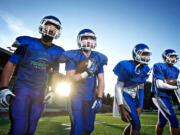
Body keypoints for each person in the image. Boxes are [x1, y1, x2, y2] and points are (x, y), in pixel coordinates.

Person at [0, 15, 65, 135]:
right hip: (22, 89)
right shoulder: (27, 43)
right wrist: (4, 87)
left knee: (31, 129)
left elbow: (55, 73)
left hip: (40, 93)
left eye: (54, 28)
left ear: (58, 32)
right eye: (48, 26)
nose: (51, 30)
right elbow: (11, 64)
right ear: (42, 26)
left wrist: (53, 90)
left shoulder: (58, 52)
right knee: (19, 127)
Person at [61, 29, 108, 135]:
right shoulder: (73, 56)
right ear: (79, 40)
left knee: (88, 128)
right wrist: (87, 73)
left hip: (90, 97)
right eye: (85, 38)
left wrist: (99, 97)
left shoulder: (98, 58)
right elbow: (70, 79)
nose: (88, 41)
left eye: (91, 39)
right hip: (75, 96)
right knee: (77, 128)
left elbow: (101, 79)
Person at [113, 44, 152, 135]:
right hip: (124, 94)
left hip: (132, 97)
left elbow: (141, 88)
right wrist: (122, 109)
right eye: (144, 54)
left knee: (134, 123)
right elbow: (117, 88)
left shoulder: (145, 69)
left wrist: (140, 106)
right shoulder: (126, 66)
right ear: (136, 54)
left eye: (147, 54)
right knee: (136, 124)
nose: (146, 57)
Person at [151, 49, 180, 135]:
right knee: (174, 120)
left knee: (161, 122)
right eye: (172, 56)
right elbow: (160, 85)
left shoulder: (176, 70)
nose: (174, 58)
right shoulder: (158, 66)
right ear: (165, 57)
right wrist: (176, 85)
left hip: (168, 98)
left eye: (175, 56)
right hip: (158, 96)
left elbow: (177, 88)